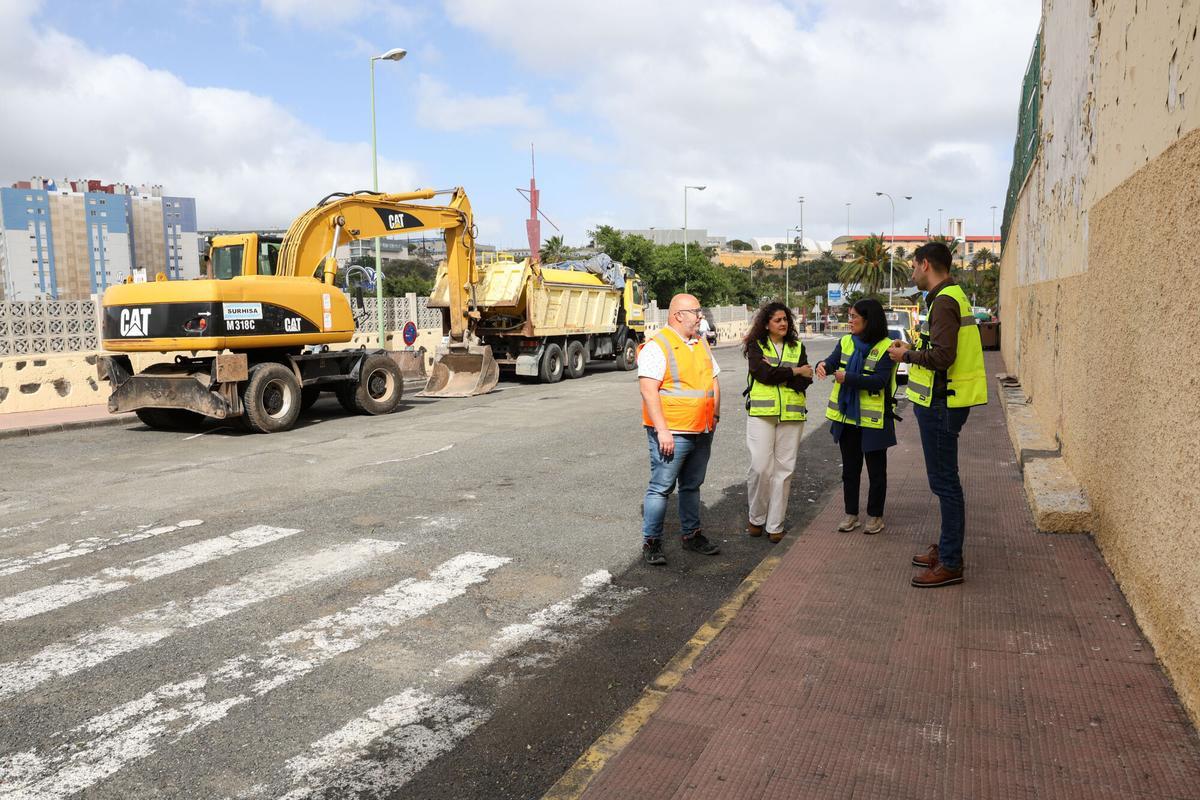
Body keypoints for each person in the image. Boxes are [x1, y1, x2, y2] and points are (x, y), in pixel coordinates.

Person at [888, 242, 988, 588]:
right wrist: (914, 351)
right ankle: (946, 549)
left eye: (913, 266)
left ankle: (949, 561)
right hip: (944, 401)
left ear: (926, 264)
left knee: (945, 483)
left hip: (942, 404)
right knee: (942, 480)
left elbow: (943, 356)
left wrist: (906, 356)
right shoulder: (950, 297)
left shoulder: (944, 302)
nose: (912, 272)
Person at [638, 293, 722, 566]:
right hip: (672, 433)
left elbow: (713, 379)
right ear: (678, 315)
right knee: (661, 487)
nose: (701, 316)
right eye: (696, 311)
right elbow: (648, 390)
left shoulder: (701, 343)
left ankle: (692, 534)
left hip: (702, 429)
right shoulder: (658, 345)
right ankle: (652, 542)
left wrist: (715, 415)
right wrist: (662, 430)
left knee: (691, 486)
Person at [816, 299, 897, 536]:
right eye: (849, 316)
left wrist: (848, 378)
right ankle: (851, 514)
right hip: (847, 418)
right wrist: (822, 365)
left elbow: (880, 381)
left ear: (868, 320)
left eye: (853, 317)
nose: (849, 321)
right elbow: (832, 363)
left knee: (876, 472)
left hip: (874, 421)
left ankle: (875, 516)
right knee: (850, 470)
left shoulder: (886, 347)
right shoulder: (845, 341)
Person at [743, 303, 812, 543]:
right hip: (762, 414)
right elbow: (762, 374)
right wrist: (795, 372)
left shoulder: (798, 347)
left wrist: (785, 374)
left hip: (792, 415)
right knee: (761, 468)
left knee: (784, 471)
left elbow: (806, 381)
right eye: (777, 320)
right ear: (766, 324)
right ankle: (756, 517)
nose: (783, 323)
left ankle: (775, 525)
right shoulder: (755, 345)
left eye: (785, 319)